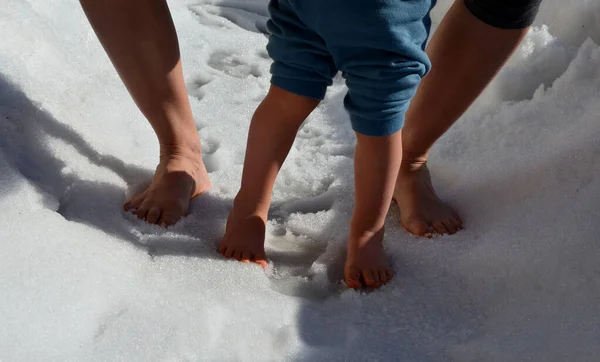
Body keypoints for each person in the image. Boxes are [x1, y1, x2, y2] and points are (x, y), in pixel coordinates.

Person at [79, 0, 541, 288]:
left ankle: (249, 213)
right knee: (380, 126)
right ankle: (365, 234)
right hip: (384, 15)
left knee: (288, 96)